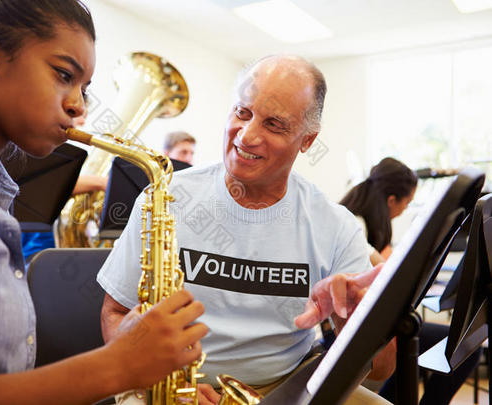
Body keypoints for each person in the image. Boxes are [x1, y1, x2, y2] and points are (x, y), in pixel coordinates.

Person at [0, 1, 208, 404]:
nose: (79, 106)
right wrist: (116, 366)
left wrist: (129, 355)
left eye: (84, 89)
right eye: (63, 75)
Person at [98, 55, 396, 405]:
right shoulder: (162, 197)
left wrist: (354, 316)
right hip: (166, 382)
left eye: (274, 124)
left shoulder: (336, 225)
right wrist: (164, 383)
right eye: (242, 112)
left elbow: (381, 369)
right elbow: (115, 313)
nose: (248, 135)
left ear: (307, 140)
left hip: (286, 387)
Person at [340, 157, 482, 405]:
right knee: (461, 348)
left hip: (369, 324)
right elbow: (381, 273)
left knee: (446, 346)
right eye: (407, 203)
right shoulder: (353, 225)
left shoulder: (364, 223)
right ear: (391, 200)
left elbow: (384, 264)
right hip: (347, 332)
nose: (405, 210)